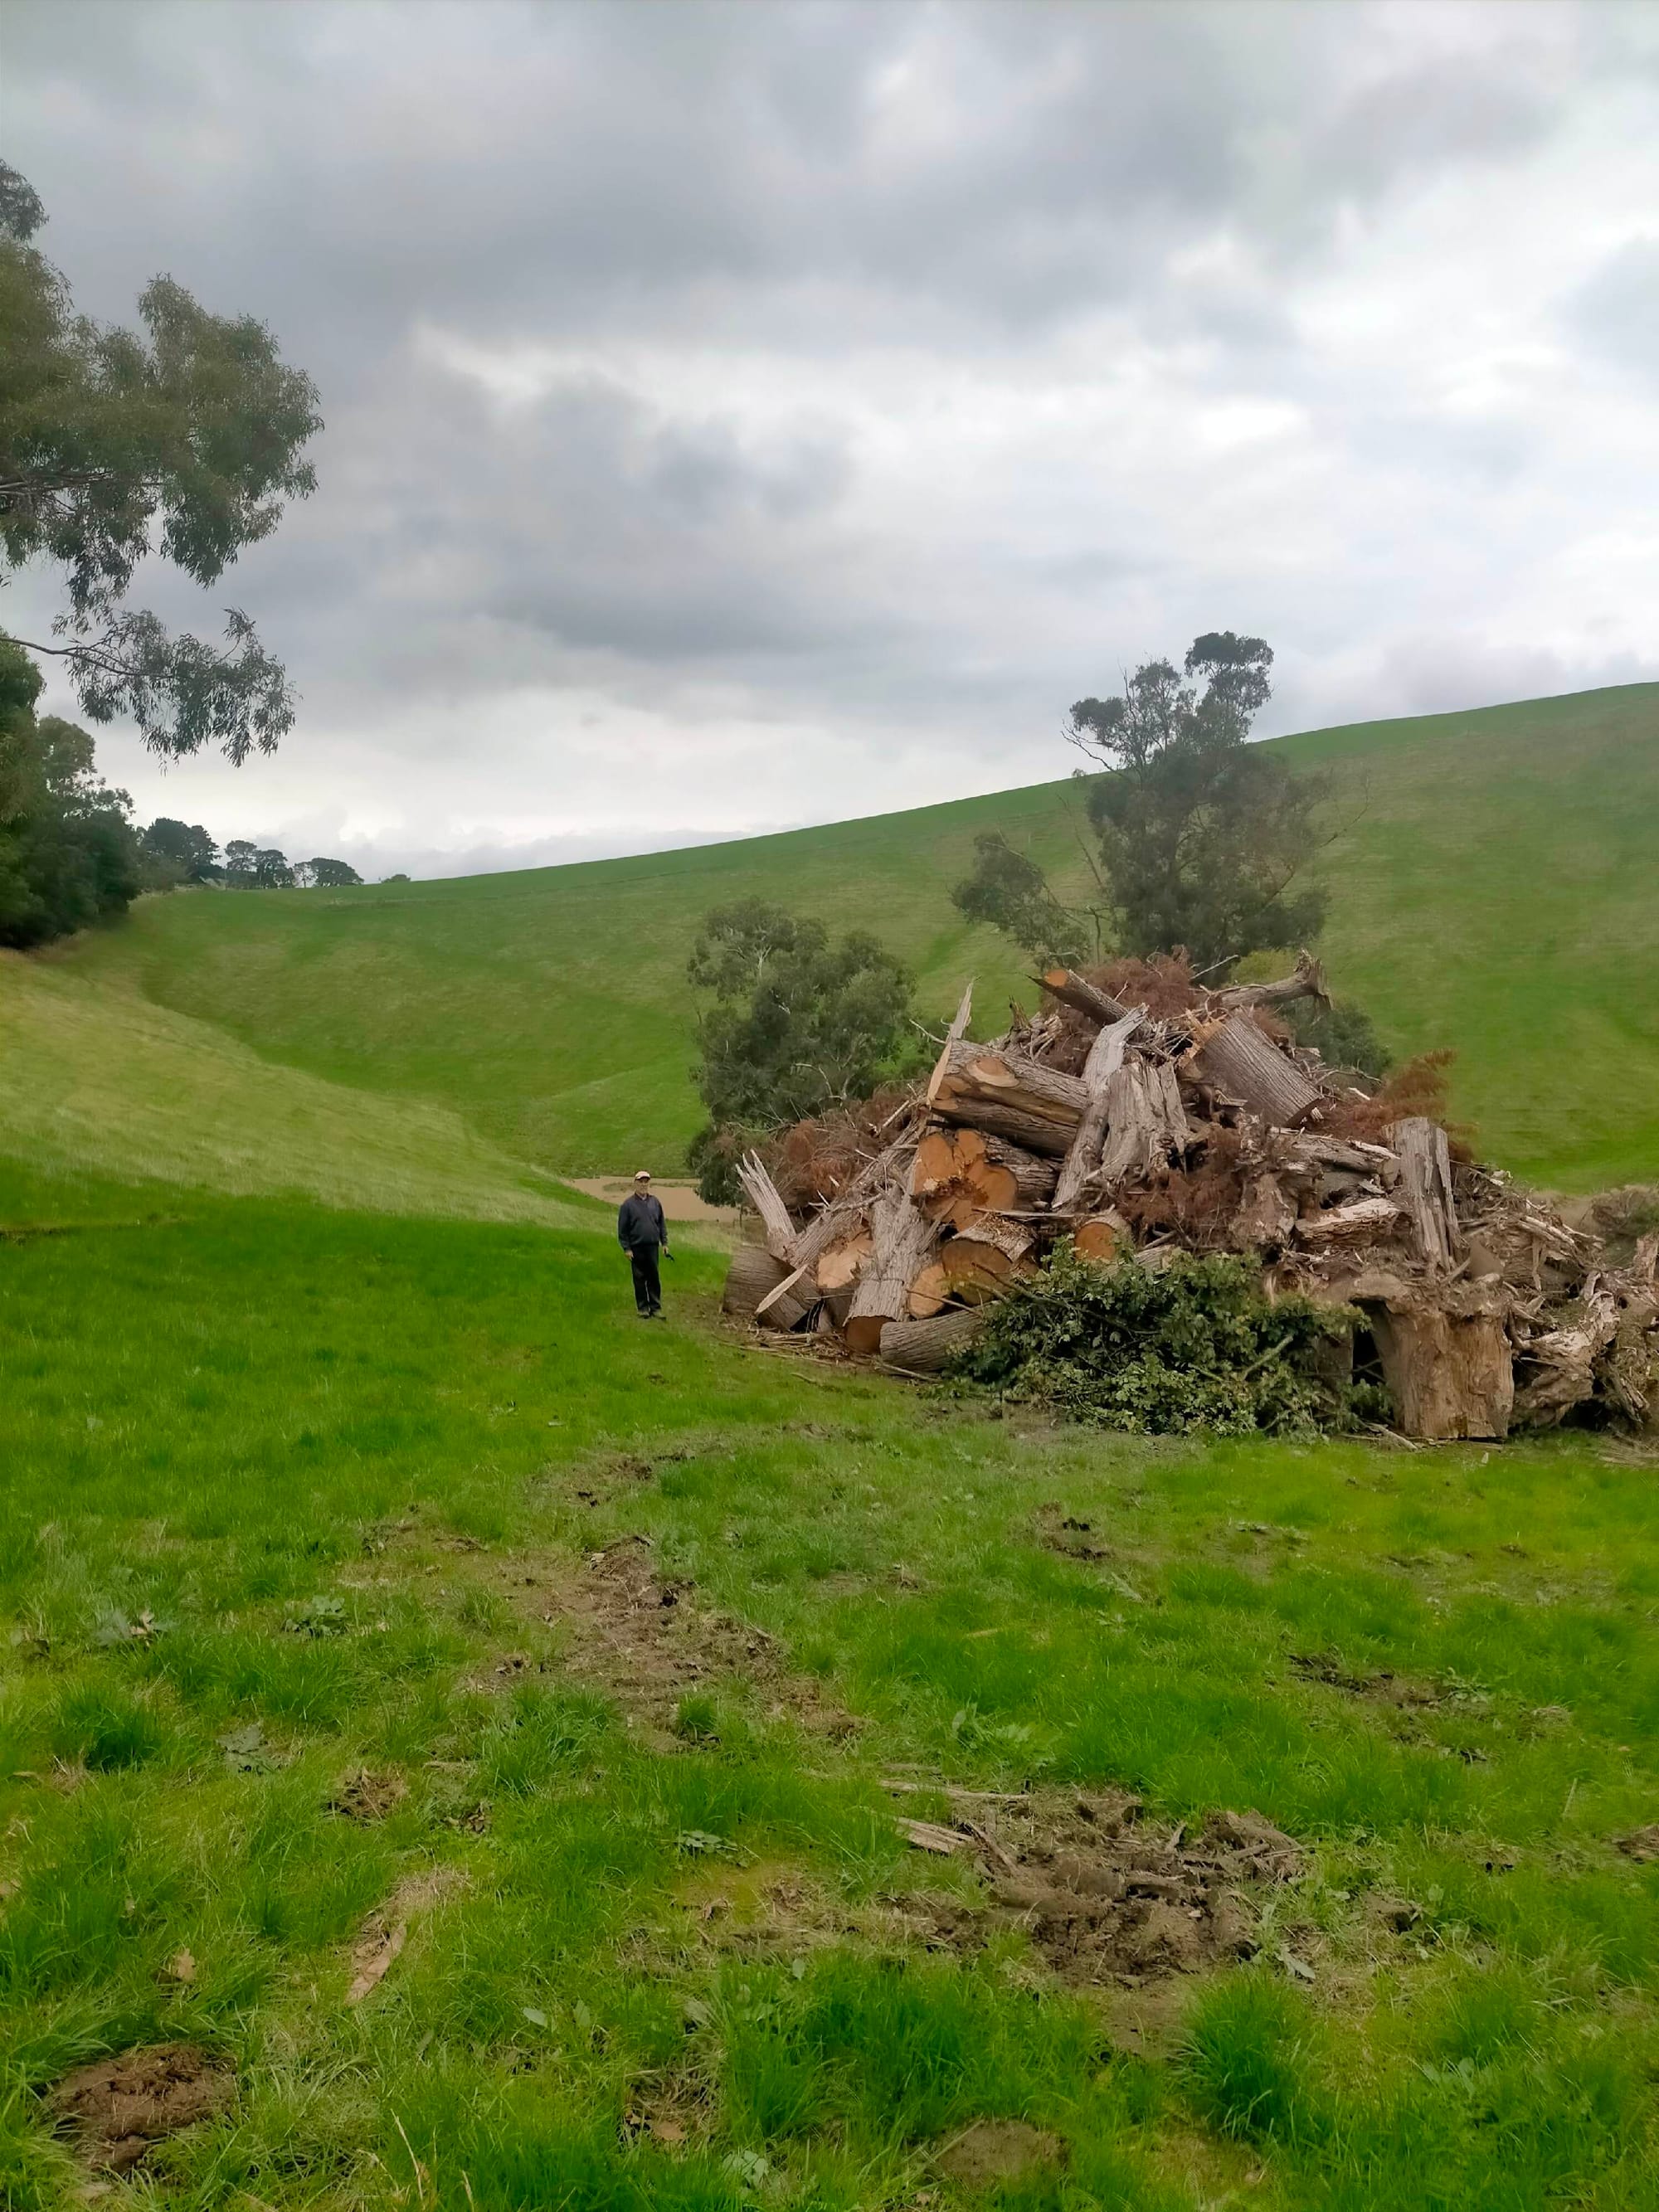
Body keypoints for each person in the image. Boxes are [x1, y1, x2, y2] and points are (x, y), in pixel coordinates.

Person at [617, 1169, 669, 1318]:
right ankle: (643, 1308)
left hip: (652, 1246)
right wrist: (626, 1248)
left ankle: (656, 1308)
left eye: (646, 1181)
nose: (644, 1184)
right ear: (635, 1183)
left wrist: (664, 1243)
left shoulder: (655, 1202)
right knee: (639, 1279)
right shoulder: (627, 1205)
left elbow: (661, 1224)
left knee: (654, 1278)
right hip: (637, 1247)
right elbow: (622, 1229)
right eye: (641, 1181)